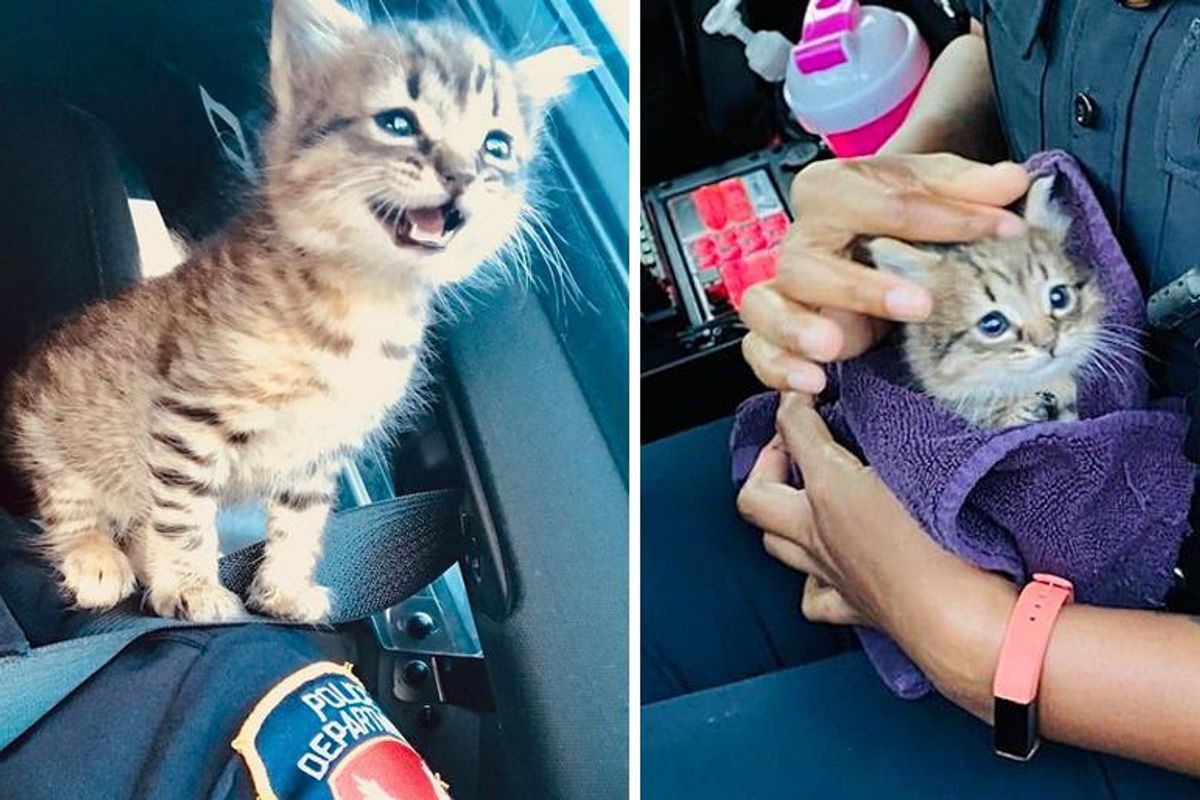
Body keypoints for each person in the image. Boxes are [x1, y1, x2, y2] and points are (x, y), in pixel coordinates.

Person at [643, 3, 1200, 796]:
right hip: (972, 412)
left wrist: (980, 649)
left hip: (1134, 657)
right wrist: (898, 210)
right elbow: (984, 41)